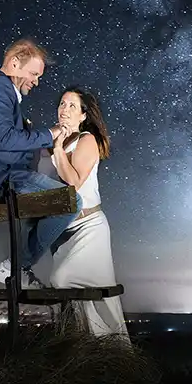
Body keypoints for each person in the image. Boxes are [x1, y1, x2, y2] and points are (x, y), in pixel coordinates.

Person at [0, 38, 81, 288]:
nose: (36, 81)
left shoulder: (4, 95)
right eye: (34, 73)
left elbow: (7, 141)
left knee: (49, 204)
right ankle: (15, 267)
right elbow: (5, 139)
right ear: (14, 64)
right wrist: (51, 132)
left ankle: (17, 266)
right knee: (70, 201)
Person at [32, 86, 130, 339]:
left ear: (83, 115)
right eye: (62, 104)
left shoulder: (86, 140)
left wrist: (57, 148)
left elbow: (73, 182)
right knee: (73, 299)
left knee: (64, 280)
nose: (64, 110)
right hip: (61, 231)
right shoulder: (48, 142)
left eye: (71, 106)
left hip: (88, 228)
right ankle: (84, 352)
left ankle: (113, 350)